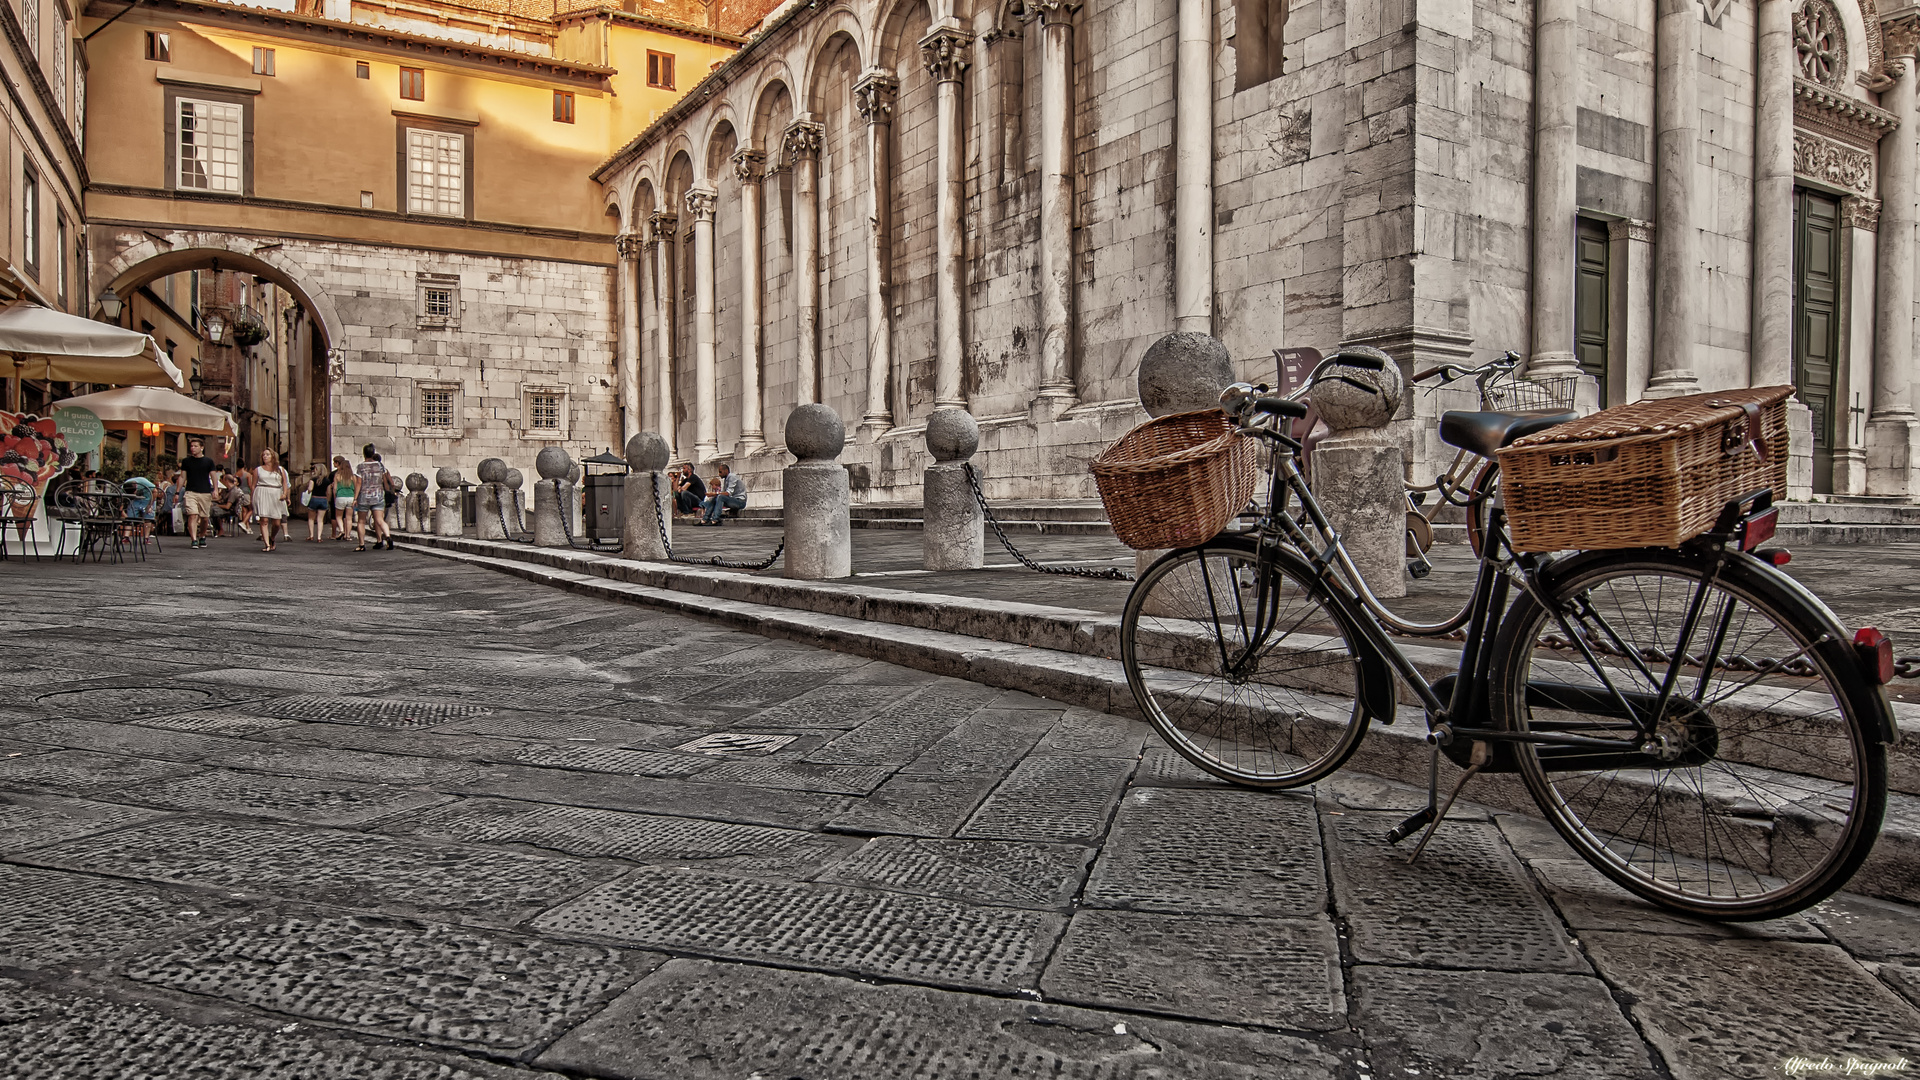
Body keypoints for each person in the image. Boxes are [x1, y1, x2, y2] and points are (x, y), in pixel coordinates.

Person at [179, 438, 218, 549]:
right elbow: (182, 477)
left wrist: (215, 489)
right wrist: (177, 491)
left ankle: (202, 535)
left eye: (195, 446)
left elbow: (213, 476)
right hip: (190, 491)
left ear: (202, 447)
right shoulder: (186, 461)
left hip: (205, 492)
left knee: (204, 517)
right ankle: (194, 539)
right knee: (193, 515)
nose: (193, 448)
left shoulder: (208, 461)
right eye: (191, 446)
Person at [353, 444, 392, 551]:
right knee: (379, 520)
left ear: (364, 453)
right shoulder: (380, 466)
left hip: (364, 496)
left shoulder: (360, 467)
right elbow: (384, 480)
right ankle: (387, 537)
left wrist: (355, 498)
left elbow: (358, 483)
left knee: (361, 521)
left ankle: (361, 544)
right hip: (378, 495)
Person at [252, 449, 291, 552]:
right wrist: (253, 498)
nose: (265, 456)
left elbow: (285, 483)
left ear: (273, 457)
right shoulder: (258, 470)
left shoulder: (280, 469)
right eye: (263, 455)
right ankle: (267, 544)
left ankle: (272, 537)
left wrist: (285, 494)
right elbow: (253, 485)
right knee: (264, 520)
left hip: (276, 494)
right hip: (262, 492)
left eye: (267, 455)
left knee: (277, 523)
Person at [301, 464, 331, 542]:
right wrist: (328, 500)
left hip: (314, 498)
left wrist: (307, 490)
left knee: (311, 518)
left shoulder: (313, 479)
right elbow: (328, 492)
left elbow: (310, 489)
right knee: (320, 519)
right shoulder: (327, 481)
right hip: (323, 499)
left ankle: (311, 535)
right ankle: (319, 537)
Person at [331, 456, 357, 541]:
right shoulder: (353, 476)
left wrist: (335, 498)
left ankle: (342, 530)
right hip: (350, 497)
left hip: (340, 496)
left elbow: (334, 489)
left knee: (338, 516)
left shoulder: (337, 475)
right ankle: (348, 535)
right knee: (349, 517)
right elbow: (356, 488)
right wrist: (356, 498)